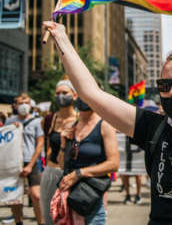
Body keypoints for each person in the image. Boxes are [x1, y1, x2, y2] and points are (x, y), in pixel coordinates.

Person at [43, 19, 172, 225]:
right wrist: (61, 38)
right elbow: (91, 93)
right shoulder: (153, 127)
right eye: (164, 85)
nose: (171, 92)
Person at [57, 97, 119, 224]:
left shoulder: (104, 126)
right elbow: (62, 165)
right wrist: (64, 145)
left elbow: (114, 164)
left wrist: (79, 173)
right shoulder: (72, 127)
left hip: (91, 198)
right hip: (70, 197)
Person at [40, 77, 78, 225]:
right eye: (57, 93)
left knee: (71, 218)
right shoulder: (49, 119)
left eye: (64, 92)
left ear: (74, 95)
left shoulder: (80, 119)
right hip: (51, 173)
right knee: (49, 217)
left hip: (71, 176)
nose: (60, 96)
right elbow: (48, 147)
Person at [5, 93, 44, 225]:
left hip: (30, 161)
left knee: (36, 195)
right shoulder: (10, 121)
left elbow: (40, 144)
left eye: (26, 102)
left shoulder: (37, 121)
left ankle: (41, 222)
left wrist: (30, 165)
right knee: (15, 197)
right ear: (15, 105)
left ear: (30, 105)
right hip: (13, 162)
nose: (23, 105)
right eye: (20, 103)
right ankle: (18, 222)